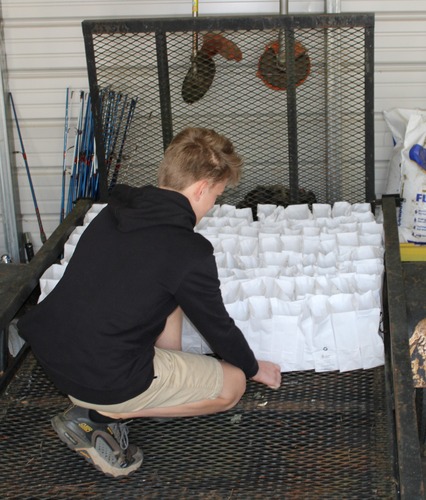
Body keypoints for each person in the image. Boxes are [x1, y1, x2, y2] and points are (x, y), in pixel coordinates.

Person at [18, 127, 281, 479]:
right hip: (103, 378)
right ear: (202, 188)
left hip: (54, 352)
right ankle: (100, 418)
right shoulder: (187, 252)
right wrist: (253, 368)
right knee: (233, 385)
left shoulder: (114, 211)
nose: (212, 206)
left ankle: (134, 395)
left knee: (170, 294)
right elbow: (218, 328)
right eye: (216, 196)